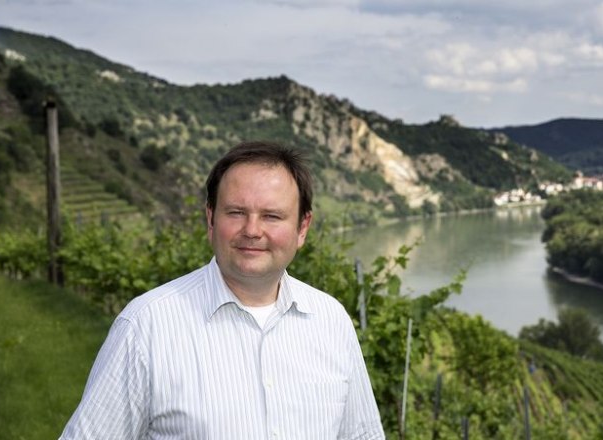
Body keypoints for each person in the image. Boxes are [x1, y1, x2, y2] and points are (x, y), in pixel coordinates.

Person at [61, 141, 385, 439]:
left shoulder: (332, 321)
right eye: (236, 212)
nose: (252, 231)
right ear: (211, 219)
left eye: (272, 216)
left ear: (302, 228)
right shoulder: (145, 327)